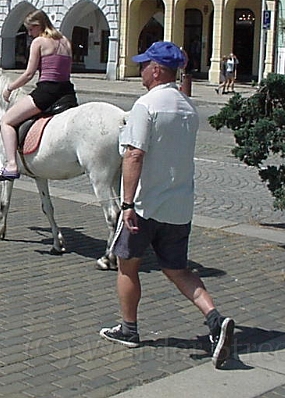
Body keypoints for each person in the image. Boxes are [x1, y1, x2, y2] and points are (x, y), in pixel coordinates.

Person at [99, 40, 235, 369]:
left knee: (127, 265)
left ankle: (129, 329)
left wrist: (127, 203)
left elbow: (134, 154)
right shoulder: (188, 107)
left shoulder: (147, 105)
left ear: (157, 70)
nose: (141, 69)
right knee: (178, 269)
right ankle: (215, 320)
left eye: (145, 64)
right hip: (179, 205)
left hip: (144, 204)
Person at [0, 10, 77, 181]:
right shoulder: (65, 41)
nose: (29, 34)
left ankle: (11, 165)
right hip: (67, 92)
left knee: (7, 121)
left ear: (37, 26)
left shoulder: (39, 42)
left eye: (30, 30)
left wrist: (10, 87)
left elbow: (29, 74)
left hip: (46, 92)